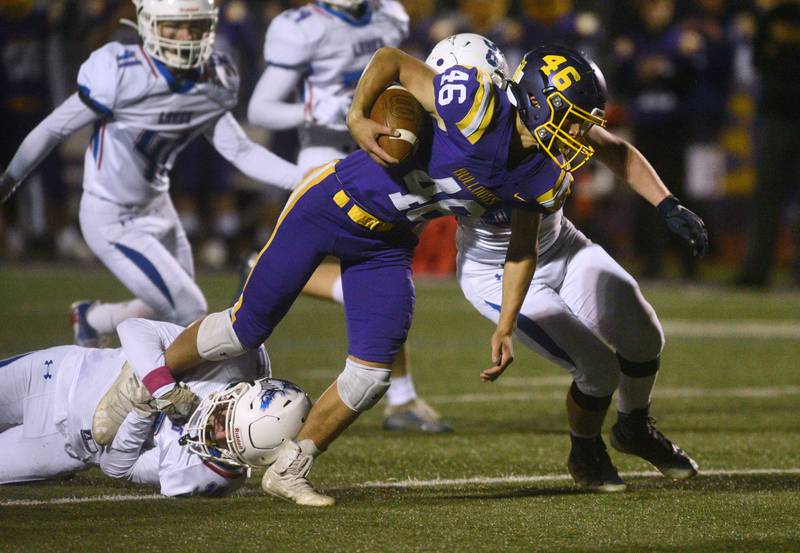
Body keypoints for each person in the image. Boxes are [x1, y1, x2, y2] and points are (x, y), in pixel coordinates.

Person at [134, 37, 629, 506]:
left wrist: (505, 325)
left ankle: (288, 469)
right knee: (243, 329)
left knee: (371, 376)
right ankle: (141, 384)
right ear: (541, 102)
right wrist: (356, 115)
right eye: (574, 118)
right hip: (329, 205)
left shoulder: (543, 173)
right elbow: (391, 60)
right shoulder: (472, 102)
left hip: (388, 241)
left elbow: (522, 250)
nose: (580, 133)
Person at [425, 36, 706, 491]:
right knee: (597, 368)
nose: (575, 135)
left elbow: (614, 149)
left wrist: (667, 204)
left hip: (560, 245)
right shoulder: (453, 130)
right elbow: (394, 76)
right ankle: (585, 447)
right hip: (496, 270)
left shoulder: (536, 120)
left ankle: (633, 426)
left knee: (643, 333)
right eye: (571, 121)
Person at [0, 0, 304, 346]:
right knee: (189, 305)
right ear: (148, 25)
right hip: (111, 214)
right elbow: (53, 129)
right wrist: (8, 181)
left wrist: (308, 177)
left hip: (159, 206)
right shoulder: (121, 71)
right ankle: (181, 392)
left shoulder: (210, 79)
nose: (186, 37)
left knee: (168, 302)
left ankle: (93, 319)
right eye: (174, 26)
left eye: (196, 26)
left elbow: (241, 151)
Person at [245, 0, 450, 433]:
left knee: (387, 258)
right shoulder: (302, 27)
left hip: (386, 153)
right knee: (359, 279)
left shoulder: (389, 15)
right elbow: (260, 110)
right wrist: (313, 110)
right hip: (326, 150)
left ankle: (402, 397)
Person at [0, 317, 309, 497]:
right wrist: (163, 386)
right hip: (56, 376)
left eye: (228, 443)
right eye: (224, 420)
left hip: (68, 448)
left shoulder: (210, 475)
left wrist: (142, 411)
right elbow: (133, 328)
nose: (214, 434)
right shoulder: (229, 362)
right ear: (242, 391)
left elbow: (116, 469)